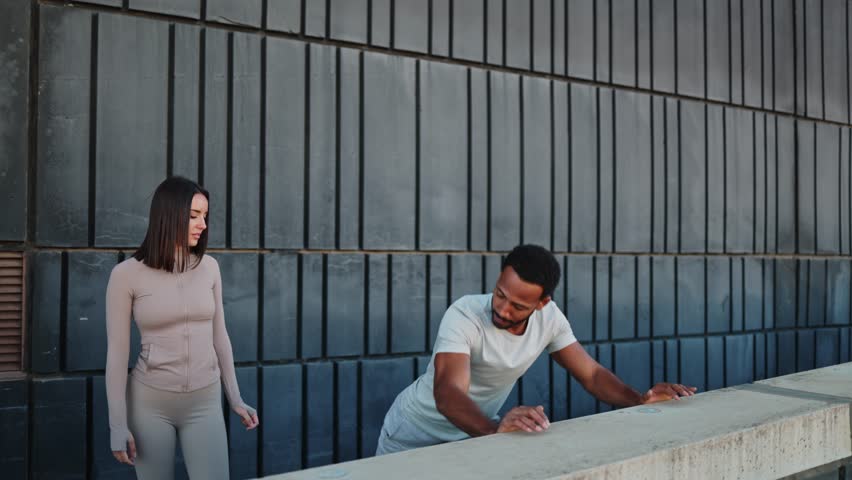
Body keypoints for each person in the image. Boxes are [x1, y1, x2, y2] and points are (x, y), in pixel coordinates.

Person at [376, 244, 697, 455]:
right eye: (500, 294)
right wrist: (494, 430)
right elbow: (448, 393)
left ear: (542, 303)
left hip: (473, 436)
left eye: (517, 305)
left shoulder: (550, 319)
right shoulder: (464, 314)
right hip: (414, 433)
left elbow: (592, 374)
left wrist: (638, 399)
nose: (502, 309)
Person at [105, 176, 259, 479]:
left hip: (205, 401)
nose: (202, 224)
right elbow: (117, 355)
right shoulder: (125, 275)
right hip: (149, 404)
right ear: (168, 214)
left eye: (204, 216)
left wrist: (235, 398)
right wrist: (117, 425)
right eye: (193, 216)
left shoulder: (210, 267)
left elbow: (220, 337)